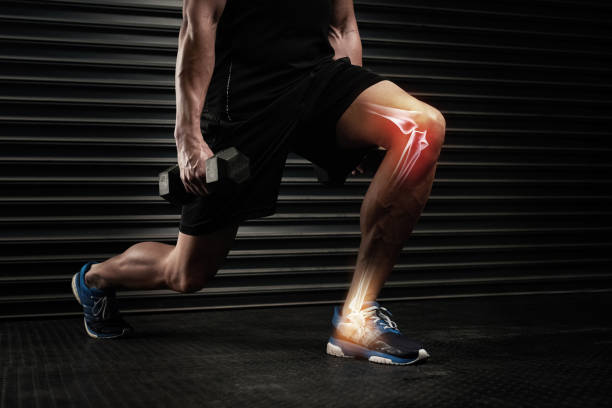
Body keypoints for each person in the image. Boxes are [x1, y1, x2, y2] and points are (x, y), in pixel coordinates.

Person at [71, 0, 445, 365]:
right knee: (187, 273)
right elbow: (200, 19)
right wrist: (187, 135)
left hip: (316, 79)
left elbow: (341, 26)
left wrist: (352, 128)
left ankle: (357, 316)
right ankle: (97, 279)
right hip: (243, 99)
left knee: (420, 127)